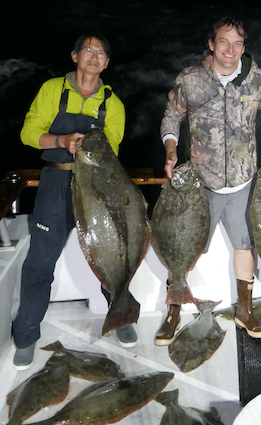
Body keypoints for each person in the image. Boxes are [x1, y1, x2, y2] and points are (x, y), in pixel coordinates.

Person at [160, 17, 261, 341]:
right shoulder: (190, 79)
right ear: (211, 44)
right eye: (224, 42)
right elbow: (171, 116)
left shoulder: (257, 79)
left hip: (243, 182)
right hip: (200, 185)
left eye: (238, 43)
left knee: (245, 247)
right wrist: (171, 151)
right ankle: (172, 312)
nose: (230, 50)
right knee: (184, 250)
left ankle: (245, 311)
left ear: (244, 47)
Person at [12, 33, 128, 369]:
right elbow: (28, 132)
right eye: (88, 50)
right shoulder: (52, 90)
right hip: (56, 183)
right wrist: (62, 140)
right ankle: (26, 333)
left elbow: (113, 150)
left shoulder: (114, 105)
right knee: (39, 261)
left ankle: (123, 314)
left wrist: (89, 149)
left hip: (97, 185)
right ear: (75, 55)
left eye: (101, 52)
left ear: (106, 63)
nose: (94, 56)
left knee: (112, 254)